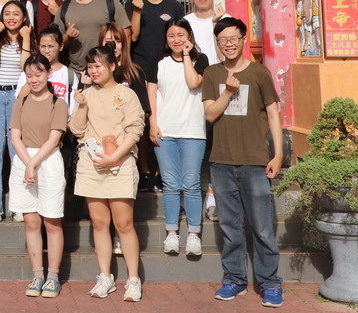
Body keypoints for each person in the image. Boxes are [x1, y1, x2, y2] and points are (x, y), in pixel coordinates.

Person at [202, 17, 284, 308]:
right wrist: (228, 91)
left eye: (234, 37)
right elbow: (210, 114)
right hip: (221, 161)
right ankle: (234, 279)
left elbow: (273, 114)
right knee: (230, 226)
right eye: (223, 39)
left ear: (243, 39)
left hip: (255, 161)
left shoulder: (260, 73)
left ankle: (270, 283)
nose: (229, 43)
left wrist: (277, 154)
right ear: (217, 43)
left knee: (262, 227)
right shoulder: (212, 74)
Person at [70, 45, 146, 302]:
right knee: (99, 223)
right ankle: (106, 277)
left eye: (99, 65)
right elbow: (78, 131)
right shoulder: (86, 95)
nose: (94, 70)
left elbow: (135, 130)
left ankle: (133, 279)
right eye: (90, 66)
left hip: (120, 164)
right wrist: (80, 105)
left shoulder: (126, 94)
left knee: (124, 224)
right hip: (92, 165)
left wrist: (115, 156)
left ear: (113, 66)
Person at [148, 18, 209, 257]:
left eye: (181, 35)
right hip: (165, 130)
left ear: (189, 36)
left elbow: (194, 82)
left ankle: (194, 234)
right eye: (171, 35)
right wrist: (152, 123)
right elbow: (151, 95)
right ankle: (171, 233)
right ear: (166, 38)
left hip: (193, 130)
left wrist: (186, 56)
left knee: (191, 183)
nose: (176, 40)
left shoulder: (200, 60)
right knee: (171, 184)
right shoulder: (158, 62)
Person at [9, 54, 68, 298]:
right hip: (24, 160)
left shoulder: (59, 103)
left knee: (51, 221)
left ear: (48, 74)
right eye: (29, 75)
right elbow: (15, 136)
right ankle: (38, 274)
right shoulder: (20, 102)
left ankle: (53, 276)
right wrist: (27, 163)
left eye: (38, 74)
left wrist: (32, 164)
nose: (34, 79)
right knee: (31, 222)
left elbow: (54, 139)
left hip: (48, 160)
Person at [0, 0, 32, 222]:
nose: (11, 17)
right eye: (7, 13)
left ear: (23, 18)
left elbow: (26, 68)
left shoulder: (28, 38)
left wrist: (27, 37)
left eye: (16, 14)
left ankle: (19, 205)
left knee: (17, 152)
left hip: (17, 96)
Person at [99, 22, 152, 195]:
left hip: (128, 138)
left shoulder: (134, 72)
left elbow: (143, 110)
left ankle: (145, 171)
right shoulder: (94, 72)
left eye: (117, 40)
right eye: (108, 41)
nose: (112, 45)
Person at [59, 0, 131, 72]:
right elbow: (57, 42)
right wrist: (68, 37)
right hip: (77, 72)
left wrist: (122, 64)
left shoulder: (110, 3)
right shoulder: (64, 8)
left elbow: (126, 34)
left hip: (107, 70)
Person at [130, 0, 185, 77]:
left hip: (168, 66)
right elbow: (133, 37)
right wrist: (137, 11)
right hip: (140, 67)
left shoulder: (175, 6)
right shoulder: (132, 4)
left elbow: (181, 37)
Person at [186, 0, 228, 64]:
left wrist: (216, 24)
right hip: (194, 75)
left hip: (221, 73)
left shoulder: (227, 20)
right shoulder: (185, 22)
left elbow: (224, 57)